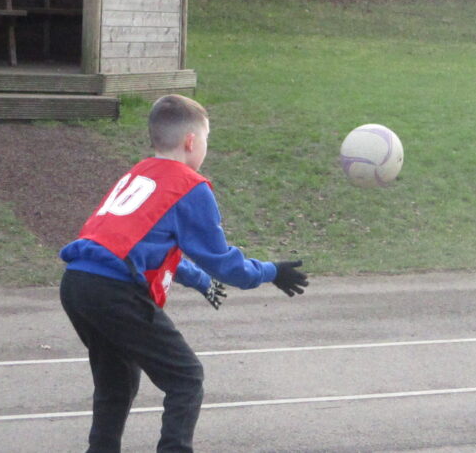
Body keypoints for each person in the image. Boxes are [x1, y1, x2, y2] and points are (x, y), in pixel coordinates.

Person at [58, 94, 310, 453]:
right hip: (113, 290)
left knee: (117, 381)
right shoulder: (189, 185)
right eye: (206, 139)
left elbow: (143, 247)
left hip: (78, 283)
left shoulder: (139, 172)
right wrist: (271, 271)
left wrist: (198, 280)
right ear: (191, 141)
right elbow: (223, 262)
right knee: (186, 379)